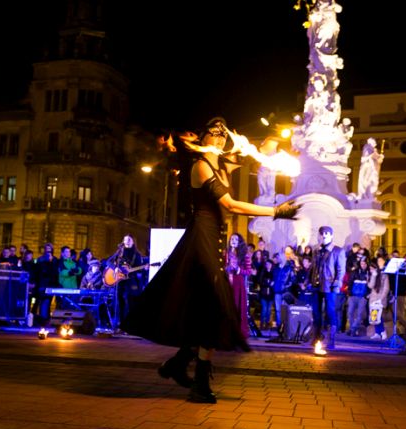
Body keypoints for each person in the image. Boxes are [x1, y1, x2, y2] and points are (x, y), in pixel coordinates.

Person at [123, 117, 300, 403]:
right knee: (215, 307)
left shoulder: (221, 165)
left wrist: (266, 142)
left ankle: (178, 364)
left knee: (204, 310)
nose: (219, 137)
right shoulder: (201, 165)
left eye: (222, 134)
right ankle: (199, 383)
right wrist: (276, 211)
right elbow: (230, 205)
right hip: (201, 239)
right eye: (213, 133)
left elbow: (255, 156)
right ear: (202, 137)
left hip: (214, 239)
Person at [311, 225, 346, 349]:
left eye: (326, 233)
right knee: (316, 312)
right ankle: (316, 337)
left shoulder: (338, 251)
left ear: (331, 235)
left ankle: (331, 340)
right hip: (317, 285)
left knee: (330, 312)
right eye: (322, 233)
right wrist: (309, 280)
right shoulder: (316, 250)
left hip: (329, 286)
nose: (324, 236)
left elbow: (341, 269)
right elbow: (314, 267)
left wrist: (336, 283)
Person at [105, 234, 146, 327]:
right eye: (125, 240)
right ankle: (120, 323)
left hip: (130, 281)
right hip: (119, 281)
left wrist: (142, 269)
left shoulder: (137, 255)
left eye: (129, 240)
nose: (127, 241)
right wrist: (115, 268)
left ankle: (129, 324)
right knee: (118, 301)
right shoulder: (120, 252)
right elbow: (108, 262)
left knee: (128, 301)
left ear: (133, 242)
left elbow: (139, 270)